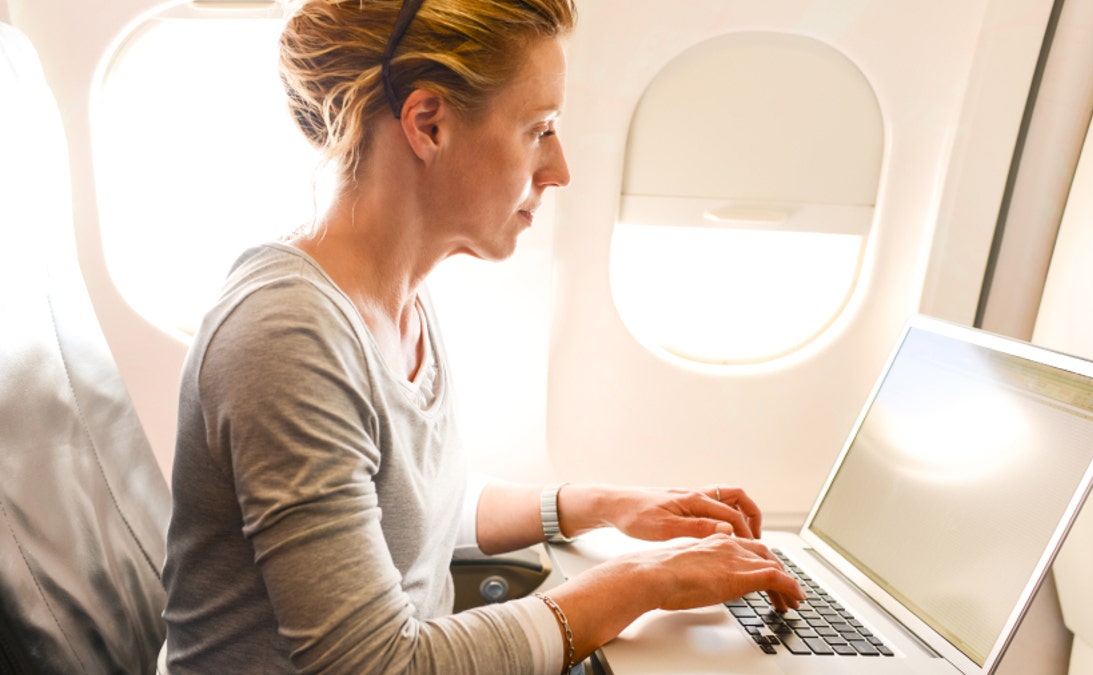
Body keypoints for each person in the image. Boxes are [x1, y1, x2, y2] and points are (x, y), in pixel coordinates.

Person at [160, 0, 804, 673]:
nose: (559, 169)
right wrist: (647, 581)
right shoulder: (286, 338)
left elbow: (407, 514)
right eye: (540, 130)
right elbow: (375, 664)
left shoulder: (398, 297)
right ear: (428, 124)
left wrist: (605, 505)